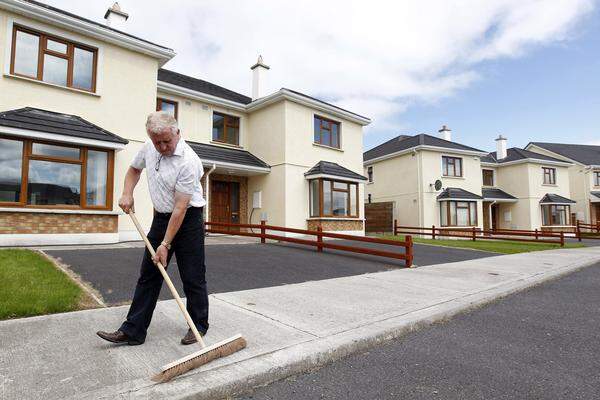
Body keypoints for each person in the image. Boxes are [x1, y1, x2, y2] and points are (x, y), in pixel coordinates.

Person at [97, 111, 208, 346]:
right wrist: (127, 192)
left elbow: (180, 208)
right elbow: (134, 170)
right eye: (157, 142)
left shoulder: (189, 161)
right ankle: (133, 331)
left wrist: (165, 245)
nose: (162, 147)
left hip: (188, 219)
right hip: (161, 218)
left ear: (178, 133)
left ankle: (198, 326)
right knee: (149, 274)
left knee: (192, 276)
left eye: (166, 141)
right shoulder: (150, 147)